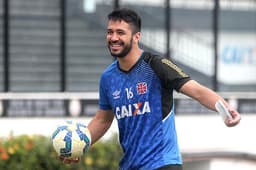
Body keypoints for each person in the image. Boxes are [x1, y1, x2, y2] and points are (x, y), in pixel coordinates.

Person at [60, 8, 241, 170]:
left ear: (136, 36)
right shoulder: (108, 78)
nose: (114, 38)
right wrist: (79, 144)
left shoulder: (156, 65)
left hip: (163, 163)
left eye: (120, 33)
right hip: (130, 165)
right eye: (110, 32)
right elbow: (103, 120)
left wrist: (225, 108)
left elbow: (197, 90)